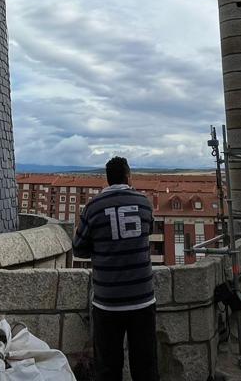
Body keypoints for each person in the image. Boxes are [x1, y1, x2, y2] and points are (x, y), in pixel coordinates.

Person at [72, 156, 158, 381]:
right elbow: (148, 232)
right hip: (142, 300)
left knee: (108, 368)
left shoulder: (93, 207)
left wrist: (103, 248)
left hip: (107, 302)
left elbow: (78, 248)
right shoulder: (143, 202)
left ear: (107, 179)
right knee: (146, 365)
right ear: (129, 176)